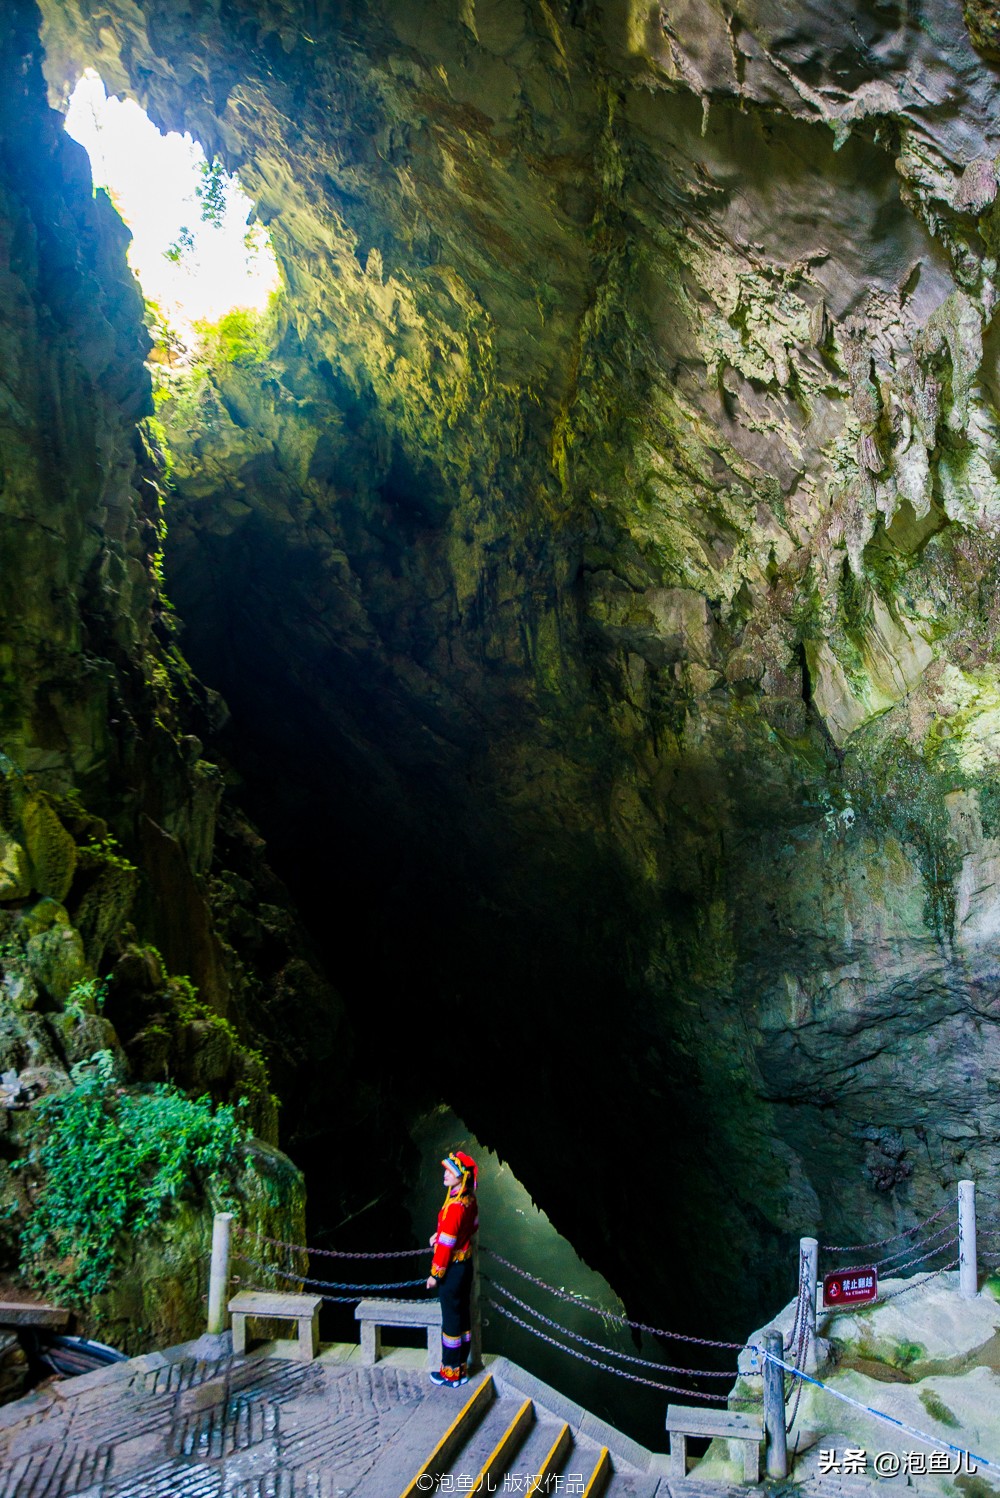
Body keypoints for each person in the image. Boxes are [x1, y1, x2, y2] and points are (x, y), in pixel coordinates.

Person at [426, 1150, 478, 1386]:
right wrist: (443, 1234)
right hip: (465, 1266)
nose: (445, 1175)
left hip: (452, 1270)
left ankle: (451, 1374)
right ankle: (462, 1368)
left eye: (450, 1172)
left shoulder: (454, 1207)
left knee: (451, 1322)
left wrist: (435, 1276)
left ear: (461, 1178)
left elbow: (446, 1247)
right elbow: (472, 1227)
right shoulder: (469, 1200)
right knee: (462, 1315)